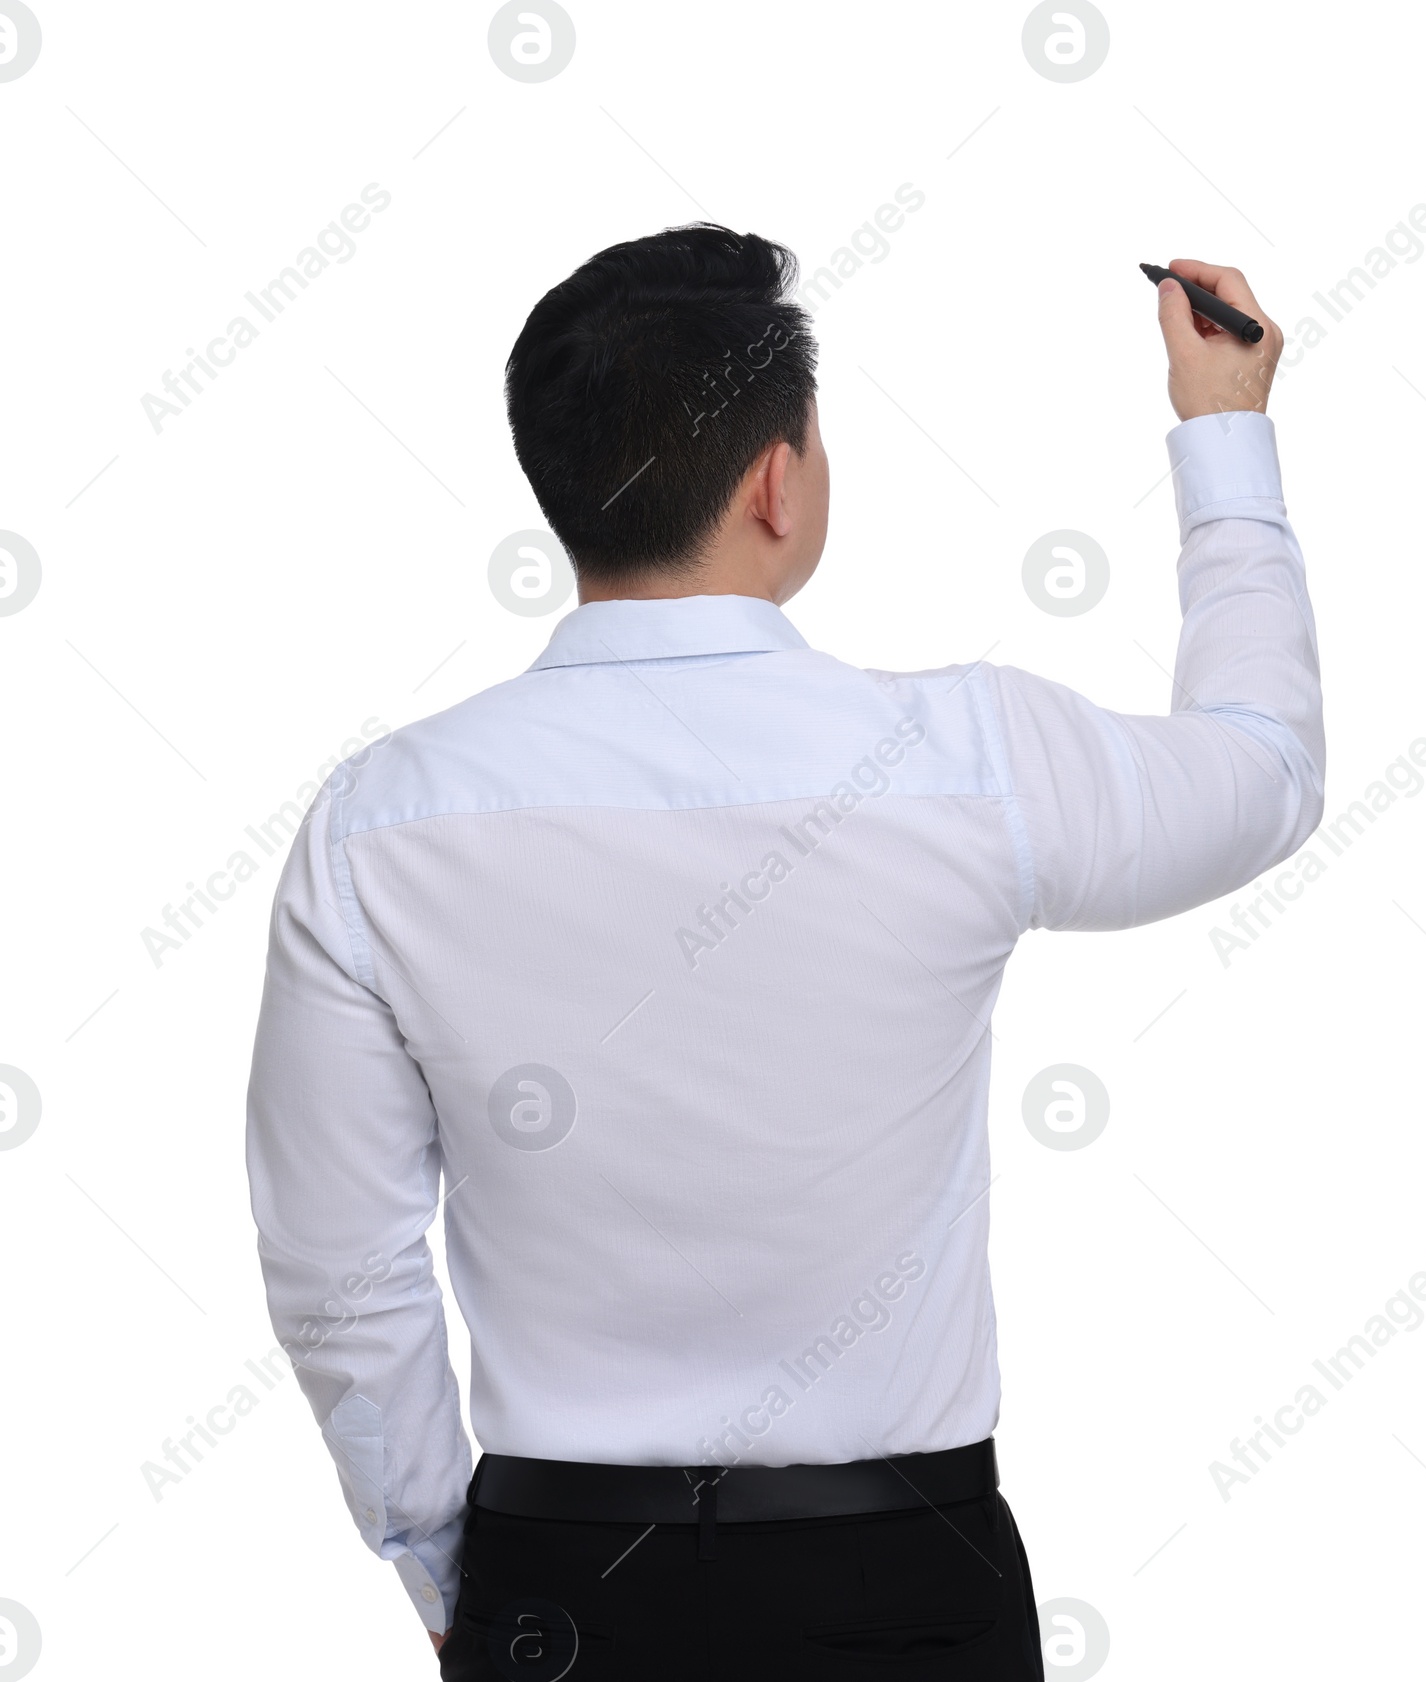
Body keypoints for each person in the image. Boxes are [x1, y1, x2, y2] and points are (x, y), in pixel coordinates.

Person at [245, 225, 1322, 1679]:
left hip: (559, 1585)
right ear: (776, 481)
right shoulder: (969, 758)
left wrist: (452, 1564)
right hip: (905, 1577)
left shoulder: (382, 821)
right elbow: (1261, 773)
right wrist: (1223, 433)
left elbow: (339, 1267)